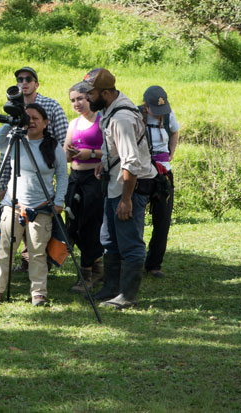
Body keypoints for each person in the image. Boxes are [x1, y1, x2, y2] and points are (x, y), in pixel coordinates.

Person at [83, 68, 158, 310]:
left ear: (105, 92)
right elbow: (118, 152)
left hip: (129, 188)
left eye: (90, 93)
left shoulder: (121, 118)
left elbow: (132, 163)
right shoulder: (109, 110)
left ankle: (127, 296)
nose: (86, 98)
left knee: (130, 243)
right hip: (115, 184)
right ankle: (111, 289)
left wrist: (127, 199)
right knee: (109, 239)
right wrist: (103, 163)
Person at [0, 103, 67, 306]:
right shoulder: (16, 141)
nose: (30, 122)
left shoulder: (53, 146)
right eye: (27, 118)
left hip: (41, 207)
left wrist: (59, 201)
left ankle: (39, 293)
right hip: (13, 204)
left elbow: (63, 175)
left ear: (46, 123)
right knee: (6, 249)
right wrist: (11, 122)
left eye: (35, 118)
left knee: (37, 252)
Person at [1, 66, 69, 273]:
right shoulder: (14, 107)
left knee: (39, 225)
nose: (24, 82)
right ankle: (25, 259)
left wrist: (59, 195)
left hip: (46, 165)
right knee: (16, 223)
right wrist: (3, 182)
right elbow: (5, 149)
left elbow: (63, 138)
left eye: (28, 79)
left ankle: (40, 263)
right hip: (18, 176)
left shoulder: (51, 105)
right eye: (19, 79)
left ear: (36, 83)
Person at [63, 82, 105, 293]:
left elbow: (113, 151)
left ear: (90, 97)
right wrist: (70, 153)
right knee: (72, 226)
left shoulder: (102, 121)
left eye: (80, 98)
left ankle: (87, 274)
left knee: (90, 225)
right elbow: (65, 154)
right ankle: (98, 264)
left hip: (94, 179)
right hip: (75, 178)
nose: (77, 103)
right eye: (72, 100)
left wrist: (93, 154)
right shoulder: (73, 124)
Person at [142, 85, 179, 279]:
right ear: (146, 106)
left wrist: (171, 153)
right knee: (137, 219)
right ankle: (134, 260)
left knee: (162, 219)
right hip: (142, 172)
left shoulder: (168, 115)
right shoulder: (136, 116)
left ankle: (154, 263)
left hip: (164, 173)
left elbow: (175, 132)